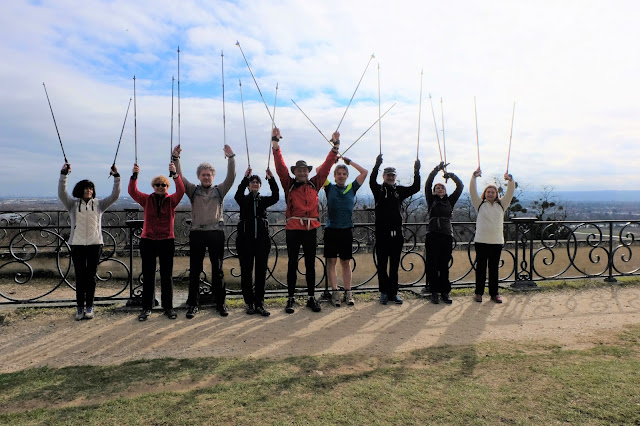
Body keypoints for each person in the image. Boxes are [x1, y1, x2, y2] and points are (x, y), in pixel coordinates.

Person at [272, 126, 339, 313]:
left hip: (311, 229)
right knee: (292, 263)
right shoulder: (289, 184)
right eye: (299, 170)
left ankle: (311, 297)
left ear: (308, 172)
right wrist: (276, 145)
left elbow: (326, 168)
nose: (302, 173)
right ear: (295, 172)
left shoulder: (314, 183)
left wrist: (335, 147)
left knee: (311, 263)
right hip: (293, 228)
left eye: (304, 170)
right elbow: (280, 167)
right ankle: (291, 299)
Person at [172, 144, 236, 318]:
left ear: (213, 176)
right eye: (203, 175)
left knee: (218, 269)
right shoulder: (193, 190)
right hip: (197, 233)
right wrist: (176, 158)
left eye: (209, 174)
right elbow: (181, 179)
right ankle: (193, 304)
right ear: (199, 176)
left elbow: (231, 178)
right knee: (194, 270)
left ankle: (220, 303)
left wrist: (231, 158)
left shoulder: (219, 190)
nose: (206, 177)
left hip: (216, 233)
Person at [58, 163, 120, 320]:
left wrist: (116, 177)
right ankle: (80, 307)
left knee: (91, 277)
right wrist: (64, 175)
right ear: (80, 190)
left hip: (95, 244)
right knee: (80, 277)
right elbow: (61, 193)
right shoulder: (72, 205)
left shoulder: (99, 205)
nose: (89, 190)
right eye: (86, 188)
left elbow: (114, 196)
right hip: (77, 244)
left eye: (91, 188)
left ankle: (90, 306)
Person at [128, 162, 185, 321]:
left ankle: (169, 307)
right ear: (153, 186)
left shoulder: (172, 201)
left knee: (167, 276)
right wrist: (134, 176)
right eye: (158, 185)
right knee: (148, 275)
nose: (161, 187)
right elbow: (132, 191)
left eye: (164, 185)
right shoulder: (146, 200)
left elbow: (181, 190)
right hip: (148, 240)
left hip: (167, 240)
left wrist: (174, 175)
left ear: (167, 186)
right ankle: (146, 308)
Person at [370, 154, 421, 305]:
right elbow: (372, 181)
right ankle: (384, 292)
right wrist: (376, 165)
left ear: (395, 176)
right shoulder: (378, 190)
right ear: (384, 176)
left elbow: (415, 187)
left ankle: (393, 292)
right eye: (388, 175)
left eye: (393, 175)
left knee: (394, 265)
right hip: (382, 233)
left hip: (397, 233)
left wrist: (416, 171)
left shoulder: (399, 191)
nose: (390, 177)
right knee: (382, 264)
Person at [323, 155, 368, 307]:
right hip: (331, 229)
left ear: (347, 176)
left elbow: (364, 172)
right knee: (331, 261)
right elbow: (319, 171)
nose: (341, 176)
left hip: (346, 230)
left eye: (344, 174)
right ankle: (335, 292)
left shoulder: (351, 187)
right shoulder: (329, 187)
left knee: (345, 262)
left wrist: (349, 162)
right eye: (338, 174)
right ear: (334, 176)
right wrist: (331, 162)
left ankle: (348, 293)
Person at [234, 166, 279, 316]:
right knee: (246, 273)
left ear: (260, 185)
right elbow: (238, 194)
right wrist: (245, 177)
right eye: (252, 182)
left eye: (257, 182)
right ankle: (249, 304)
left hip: (262, 241)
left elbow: (276, 196)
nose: (254, 183)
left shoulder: (263, 201)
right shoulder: (243, 200)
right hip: (245, 241)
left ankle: (259, 304)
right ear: (248, 185)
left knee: (261, 273)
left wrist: (271, 179)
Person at [469, 168, 515, 303]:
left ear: (496, 194)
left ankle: (494, 294)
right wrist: (474, 177)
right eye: (488, 192)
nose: (490, 194)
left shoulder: (502, 205)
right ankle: (479, 293)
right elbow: (472, 191)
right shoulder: (479, 204)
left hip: (496, 242)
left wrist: (510, 180)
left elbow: (510, 192)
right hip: (481, 241)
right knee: (481, 269)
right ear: (485, 193)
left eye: (493, 192)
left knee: (494, 269)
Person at [424, 162, 463, 304]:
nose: (439, 189)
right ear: (434, 191)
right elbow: (428, 184)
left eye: (442, 187)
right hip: (432, 234)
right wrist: (436, 170)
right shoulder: (430, 200)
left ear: (445, 191)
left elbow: (460, 187)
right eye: (437, 188)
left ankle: (445, 292)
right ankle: (434, 291)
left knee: (444, 264)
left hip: (446, 235)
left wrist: (450, 175)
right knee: (433, 264)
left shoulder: (449, 201)